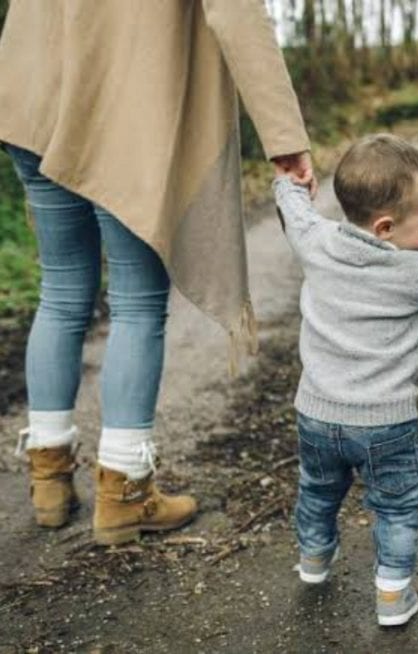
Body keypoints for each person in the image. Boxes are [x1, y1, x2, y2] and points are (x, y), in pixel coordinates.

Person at [0, 1, 314, 544]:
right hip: (125, 115)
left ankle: (48, 480)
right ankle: (125, 490)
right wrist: (284, 138)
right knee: (138, 303)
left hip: (34, 95)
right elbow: (237, 12)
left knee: (62, 290)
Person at [274, 134, 418, 626]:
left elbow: (295, 212)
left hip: (316, 415)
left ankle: (314, 559)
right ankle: (393, 595)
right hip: (386, 424)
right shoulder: (416, 272)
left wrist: (289, 183)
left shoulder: (316, 242)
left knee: (317, 489)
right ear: (384, 228)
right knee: (397, 506)